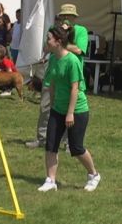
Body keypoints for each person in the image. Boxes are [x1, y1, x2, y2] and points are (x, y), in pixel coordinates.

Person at [37, 25, 100, 192]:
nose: (46, 41)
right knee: (51, 144)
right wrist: (52, 106)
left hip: (77, 110)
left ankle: (93, 175)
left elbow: (75, 88)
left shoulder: (72, 61)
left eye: (48, 38)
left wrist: (70, 113)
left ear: (58, 42)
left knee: (76, 147)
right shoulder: (52, 59)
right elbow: (51, 84)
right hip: (58, 108)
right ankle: (50, 180)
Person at [26, 4, 88, 149]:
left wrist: (61, 42)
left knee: (68, 109)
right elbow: (47, 47)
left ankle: (67, 142)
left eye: (69, 16)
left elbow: (79, 50)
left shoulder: (81, 31)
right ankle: (41, 139)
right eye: (63, 16)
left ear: (74, 17)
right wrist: (52, 47)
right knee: (45, 106)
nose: (65, 19)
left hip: (70, 75)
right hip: (53, 73)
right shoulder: (53, 30)